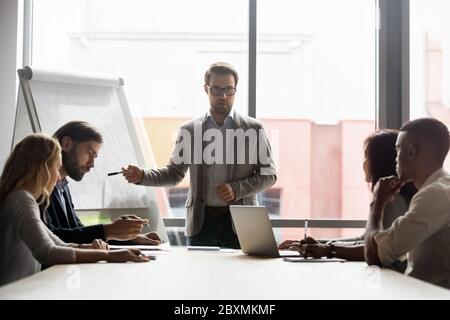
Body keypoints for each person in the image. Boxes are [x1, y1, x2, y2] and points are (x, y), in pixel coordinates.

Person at [122, 62, 277, 248]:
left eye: (229, 89)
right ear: (206, 89)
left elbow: (269, 175)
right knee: (199, 276)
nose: (224, 96)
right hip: (202, 225)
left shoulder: (254, 129)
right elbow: (173, 174)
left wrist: (237, 189)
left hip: (242, 223)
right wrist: (142, 175)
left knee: (241, 277)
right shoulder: (189, 130)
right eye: (217, 89)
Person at [0, 134, 149, 286]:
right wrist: (109, 255)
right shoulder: (22, 199)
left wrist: (96, 250)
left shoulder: (21, 198)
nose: (58, 178)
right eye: (57, 168)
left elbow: (59, 243)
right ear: (42, 168)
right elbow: (47, 252)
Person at [279, 130, 416, 270]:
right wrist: (318, 245)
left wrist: (327, 249)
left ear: (380, 163)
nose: (364, 164)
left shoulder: (393, 200)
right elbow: (363, 240)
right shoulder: (389, 197)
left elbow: (375, 250)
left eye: (367, 157)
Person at [44, 121, 161, 245]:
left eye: (94, 157)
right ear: (66, 144)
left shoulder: (62, 187)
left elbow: (76, 232)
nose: (92, 164)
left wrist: (128, 237)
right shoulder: (39, 186)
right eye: (89, 153)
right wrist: (109, 230)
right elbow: (50, 238)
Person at [365, 118, 450, 289]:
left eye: (398, 150)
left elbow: (374, 255)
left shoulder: (434, 195)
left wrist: (377, 201)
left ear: (410, 151)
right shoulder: (440, 188)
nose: (395, 159)